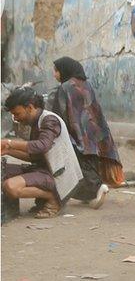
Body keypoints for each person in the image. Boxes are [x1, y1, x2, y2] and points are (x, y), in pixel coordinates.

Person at [2, 87, 83, 218]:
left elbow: (41, 146)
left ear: (29, 107)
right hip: (42, 170)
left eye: (17, 114)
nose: (15, 119)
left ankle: (54, 197)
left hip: (57, 175)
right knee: (2, 173)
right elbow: (35, 155)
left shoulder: (50, 120)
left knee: (10, 186)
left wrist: (9, 142)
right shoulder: (36, 122)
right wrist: (8, 150)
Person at [51, 56, 122, 207]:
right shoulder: (87, 85)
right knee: (91, 161)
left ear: (64, 70)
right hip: (93, 131)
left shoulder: (65, 87)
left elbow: (59, 113)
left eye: (56, 71)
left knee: (79, 163)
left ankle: (95, 189)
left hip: (77, 133)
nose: (54, 74)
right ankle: (91, 194)